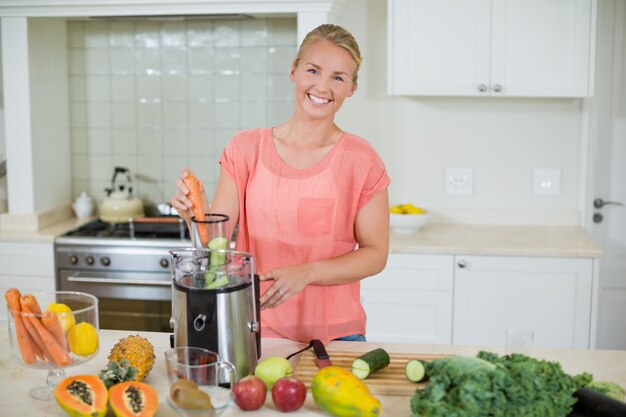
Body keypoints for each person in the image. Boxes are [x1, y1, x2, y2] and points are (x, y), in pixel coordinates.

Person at [170, 24, 390, 344]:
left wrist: (307, 272)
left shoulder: (362, 160)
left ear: (351, 88)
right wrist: (195, 213)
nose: (322, 87)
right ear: (294, 72)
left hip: (337, 334)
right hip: (254, 327)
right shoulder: (245, 149)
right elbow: (212, 247)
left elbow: (376, 254)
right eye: (313, 70)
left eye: (338, 77)